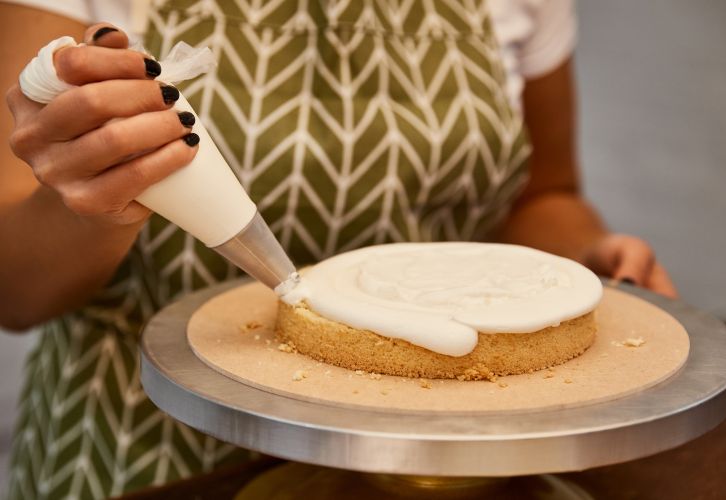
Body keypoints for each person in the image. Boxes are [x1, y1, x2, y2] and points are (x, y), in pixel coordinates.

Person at [0, 0, 677, 498]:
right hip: (150, 448)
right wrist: (98, 203)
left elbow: (543, 193)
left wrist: (576, 261)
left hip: (451, 456)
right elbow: (14, 292)